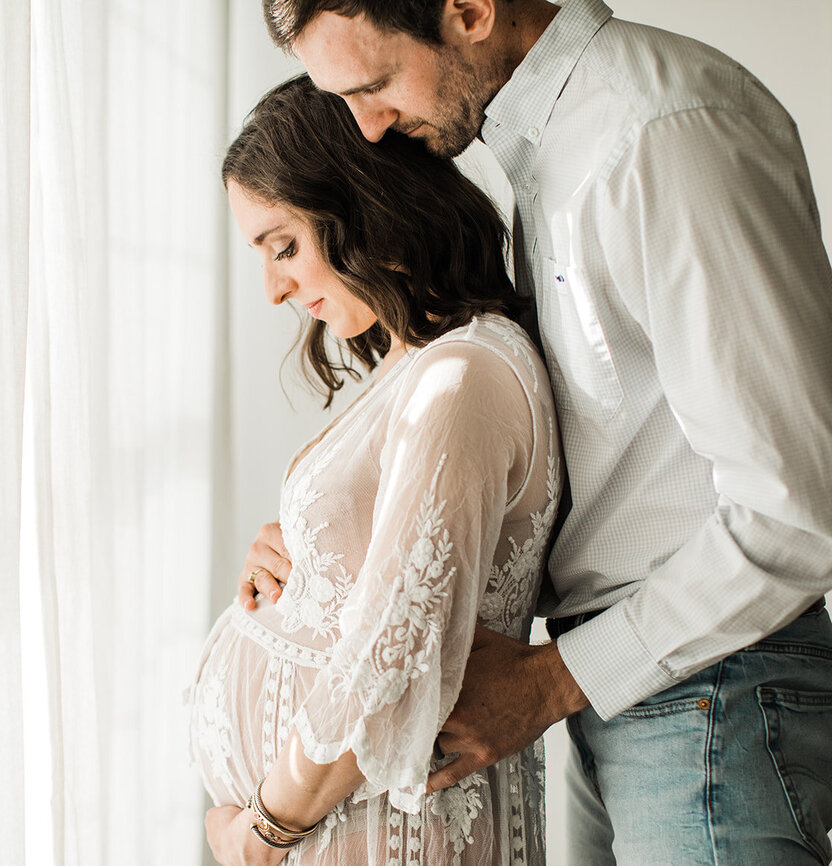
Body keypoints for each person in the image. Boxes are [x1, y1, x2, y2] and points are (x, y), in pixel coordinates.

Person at [244, 0, 832, 863]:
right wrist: (334, 552)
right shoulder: (550, 153)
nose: (365, 128)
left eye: (372, 85)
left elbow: (799, 509)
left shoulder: (657, 134)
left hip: (713, 696)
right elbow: (612, 458)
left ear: (470, 11)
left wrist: (553, 682)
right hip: (639, 693)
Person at [189, 74, 561, 866]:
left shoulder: (461, 379)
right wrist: (297, 560)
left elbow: (390, 661)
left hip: (379, 833)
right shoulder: (415, 365)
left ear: (365, 204)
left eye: (283, 246)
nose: (273, 289)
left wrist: (260, 834)